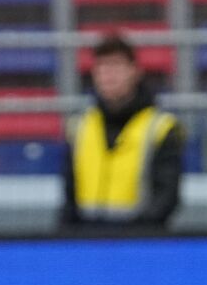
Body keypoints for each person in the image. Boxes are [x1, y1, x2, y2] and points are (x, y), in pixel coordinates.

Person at [60, 33, 183, 230]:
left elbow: (166, 198)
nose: (109, 75)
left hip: (141, 245)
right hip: (86, 244)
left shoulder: (160, 128)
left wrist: (132, 235)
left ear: (135, 71)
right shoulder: (80, 127)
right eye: (102, 67)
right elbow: (69, 197)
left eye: (116, 66)